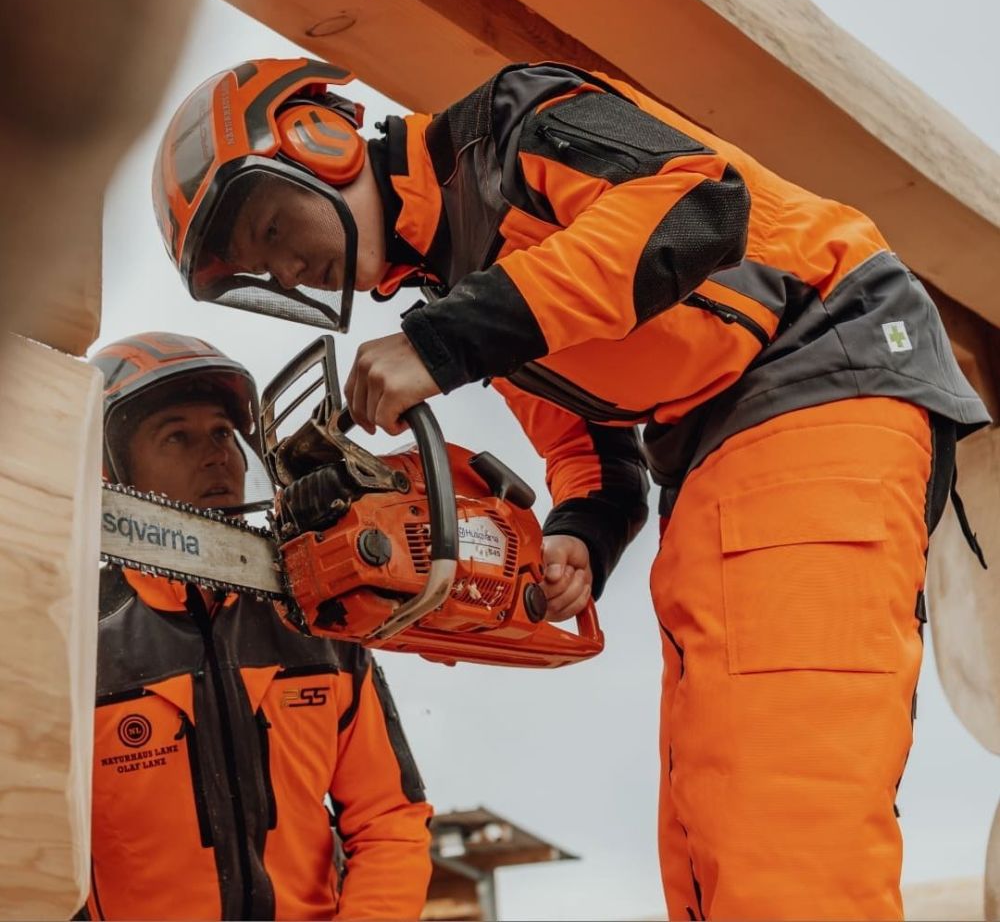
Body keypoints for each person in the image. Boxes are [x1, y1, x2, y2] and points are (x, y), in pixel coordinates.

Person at [152, 58, 990, 920]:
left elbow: (694, 206)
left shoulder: (509, 128)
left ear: (317, 141)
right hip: (709, 452)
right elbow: (596, 456)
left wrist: (442, 345)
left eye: (274, 229)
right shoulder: (469, 295)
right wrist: (578, 537)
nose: (293, 267)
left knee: (782, 803)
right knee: (710, 801)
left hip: (822, 372)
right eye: (270, 270)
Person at [83, 330, 432, 921]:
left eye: (222, 432)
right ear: (113, 470)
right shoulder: (71, 641)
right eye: (178, 436)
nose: (216, 453)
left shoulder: (313, 619)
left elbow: (389, 816)